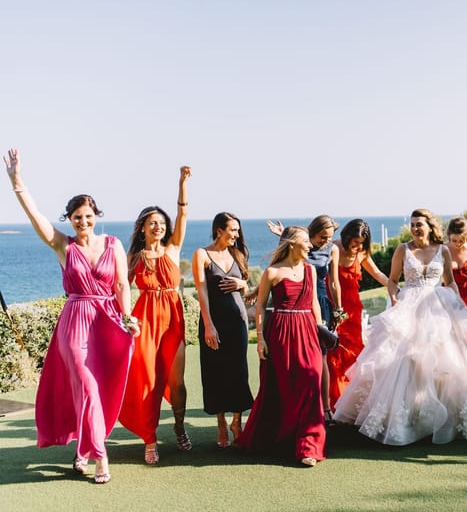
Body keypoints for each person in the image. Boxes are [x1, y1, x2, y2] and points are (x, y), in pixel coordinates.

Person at [4, 147, 139, 484]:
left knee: (99, 388)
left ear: (96, 215)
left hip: (107, 320)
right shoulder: (63, 245)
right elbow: (35, 216)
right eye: (77, 217)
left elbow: (122, 284)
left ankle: (82, 448)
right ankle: (100, 456)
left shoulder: (113, 244)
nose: (83, 221)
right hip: (75, 322)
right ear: (70, 219)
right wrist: (17, 182)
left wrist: (128, 317)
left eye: (88, 215)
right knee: (86, 384)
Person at [334, 209, 467, 445]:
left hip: (438, 306)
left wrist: (459, 308)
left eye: (419, 224)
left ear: (430, 227)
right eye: (412, 224)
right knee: (405, 362)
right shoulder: (403, 249)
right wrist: (395, 300)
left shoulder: (442, 250)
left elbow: (449, 282)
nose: (414, 228)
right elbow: (392, 281)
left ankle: (442, 418)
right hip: (409, 306)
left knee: (445, 362)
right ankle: (408, 418)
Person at [118, 166, 192, 465]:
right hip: (145, 321)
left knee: (177, 381)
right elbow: (120, 288)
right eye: (152, 223)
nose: (158, 226)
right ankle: (149, 438)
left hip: (173, 320)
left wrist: (182, 183)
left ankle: (178, 425)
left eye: (161, 222)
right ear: (142, 228)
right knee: (147, 381)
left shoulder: (173, 249)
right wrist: (124, 319)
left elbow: (183, 214)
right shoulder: (133, 257)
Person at [238, 226, 326, 466]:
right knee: (283, 386)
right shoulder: (273, 272)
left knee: (311, 382)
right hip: (281, 332)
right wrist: (260, 339)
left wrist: (320, 331)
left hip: (308, 331)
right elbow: (260, 307)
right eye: (306, 242)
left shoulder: (310, 270)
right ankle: (283, 438)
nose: (310, 246)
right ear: (292, 244)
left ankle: (309, 446)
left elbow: (314, 303)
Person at [266, 216, 342, 425]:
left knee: (320, 356)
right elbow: (282, 267)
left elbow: (334, 282)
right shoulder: (300, 250)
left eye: (330, 237)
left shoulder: (331, 250)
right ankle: (296, 408)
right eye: (322, 237)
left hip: (319, 303)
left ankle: (325, 407)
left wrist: (338, 309)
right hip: (296, 303)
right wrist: (283, 236)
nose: (326, 241)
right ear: (312, 234)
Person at [192, 212, 254, 448]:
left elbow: (246, 289)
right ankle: (221, 423)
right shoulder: (202, 254)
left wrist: (242, 284)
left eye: (238, 230)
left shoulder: (238, 254)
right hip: (214, 321)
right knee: (215, 371)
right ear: (219, 230)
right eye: (232, 230)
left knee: (239, 371)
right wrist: (208, 325)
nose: (236, 235)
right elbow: (202, 291)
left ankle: (237, 422)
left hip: (238, 321)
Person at [327, 218, 392, 408]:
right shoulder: (334, 248)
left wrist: (396, 287)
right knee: (334, 352)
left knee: (353, 353)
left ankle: (350, 400)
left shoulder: (361, 253)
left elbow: (378, 274)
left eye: (361, 243)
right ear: (347, 237)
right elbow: (330, 280)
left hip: (353, 310)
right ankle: (334, 399)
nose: (357, 246)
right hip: (334, 306)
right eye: (354, 242)